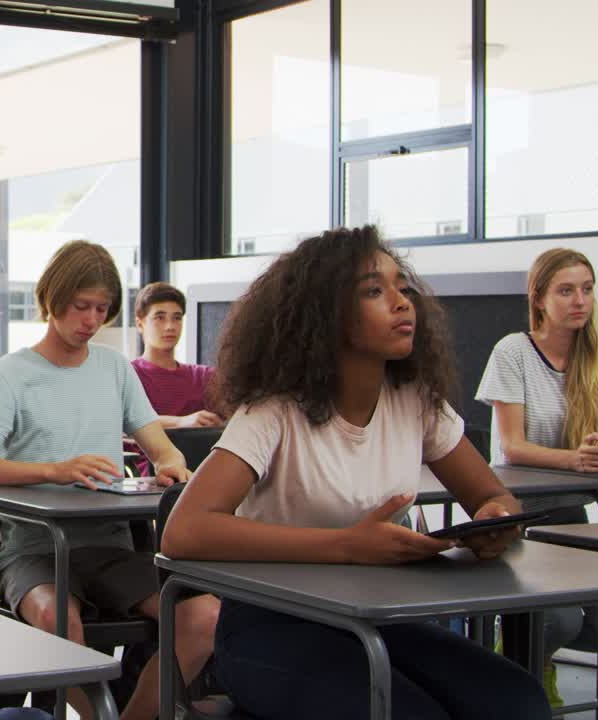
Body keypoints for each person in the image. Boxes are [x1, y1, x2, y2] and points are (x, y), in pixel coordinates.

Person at [160, 226, 550, 720]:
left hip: (376, 620)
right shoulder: (274, 412)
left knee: (518, 702)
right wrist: (347, 545)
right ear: (325, 314)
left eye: (402, 287)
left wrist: (497, 520)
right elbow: (184, 530)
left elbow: (493, 496)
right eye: (373, 290)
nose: (401, 302)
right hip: (272, 630)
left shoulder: (417, 403)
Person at [0, 240, 219, 720]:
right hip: (33, 549)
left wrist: (171, 465)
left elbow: (162, 446)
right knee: (59, 621)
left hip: (111, 549)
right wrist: (53, 470)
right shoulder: (12, 374)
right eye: (81, 307)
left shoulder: (114, 368)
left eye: (102, 309)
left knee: (204, 617)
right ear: (53, 297)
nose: (92, 320)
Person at [475, 247, 598, 705]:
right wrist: (572, 461)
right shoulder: (513, 351)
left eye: (586, 289)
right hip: (518, 509)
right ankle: (525, 677)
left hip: (570, 508)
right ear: (539, 298)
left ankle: (527, 664)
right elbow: (511, 446)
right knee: (558, 620)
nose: (579, 300)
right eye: (566, 290)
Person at [128, 281, 225, 475]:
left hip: (203, 472)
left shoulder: (204, 376)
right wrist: (182, 422)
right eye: (160, 318)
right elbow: (122, 422)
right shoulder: (128, 374)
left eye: (177, 318)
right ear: (140, 323)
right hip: (149, 476)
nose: (170, 326)